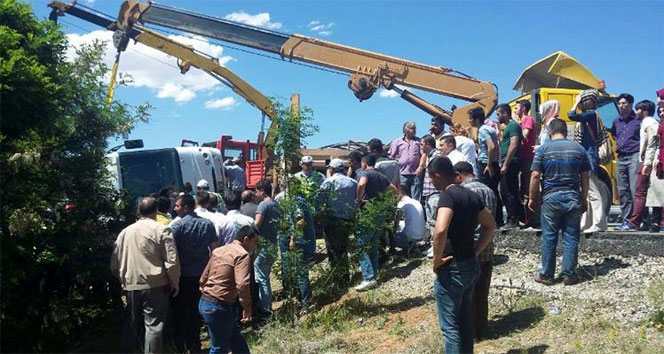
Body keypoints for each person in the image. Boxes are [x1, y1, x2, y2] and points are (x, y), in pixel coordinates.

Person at [429, 157, 496, 354]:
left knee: (450, 327)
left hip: (453, 267)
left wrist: (437, 259)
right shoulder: (471, 196)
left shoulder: (448, 196)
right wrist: (477, 250)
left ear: (437, 175)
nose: (431, 182)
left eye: (431, 178)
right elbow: (490, 225)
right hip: (470, 264)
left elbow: (440, 230)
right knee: (465, 321)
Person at [111, 197, 180, 354]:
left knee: (133, 324)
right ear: (156, 211)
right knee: (153, 326)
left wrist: (123, 280)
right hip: (155, 284)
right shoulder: (161, 230)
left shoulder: (124, 232)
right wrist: (174, 282)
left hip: (131, 284)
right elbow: (172, 261)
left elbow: (114, 262)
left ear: (138, 211)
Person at [529, 118, 590, 285]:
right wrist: (584, 198)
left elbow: (535, 176)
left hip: (550, 198)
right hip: (572, 197)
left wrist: (533, 198)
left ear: (550, 131)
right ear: (566, 131)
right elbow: (585, 177)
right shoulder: (579, 149)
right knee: (571, 236)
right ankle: (569, 274)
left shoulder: (543, 150)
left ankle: (546, 275)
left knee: (549, 236)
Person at [170, 194, 219, 353]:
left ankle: (188, 344)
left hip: (184, 276)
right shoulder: (207, 224)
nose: (174, 208)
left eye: (177, 206)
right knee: (201, 310)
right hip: (203, 274)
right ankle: (204, 343)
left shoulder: (177, 227)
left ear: (185, 207)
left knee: (184, 311)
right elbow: (215, 250)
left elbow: (171, 252)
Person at [453, 161, 496, 340]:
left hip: (471, 246)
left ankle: (470, 332)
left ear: (460, 174)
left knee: (467, 293)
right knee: (482, 291)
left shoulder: (466, 192)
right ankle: (481, 329)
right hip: (487, 244)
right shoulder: (489, 190)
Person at [199, 224, 258, 354]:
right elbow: (242, 284)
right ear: (246, 239)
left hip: (206, 302)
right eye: (255, 242)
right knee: (219, 347)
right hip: (220, 306)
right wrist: (247, 308)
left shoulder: (219, 250)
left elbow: (203, 279)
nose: (255, 246)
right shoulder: (242, 254)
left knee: (236, 340)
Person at [568, 89, 608, 233]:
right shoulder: (591, 116)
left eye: (586, 100)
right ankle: (589, 223)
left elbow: (571, 115)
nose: (583, 102)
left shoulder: (591, 114)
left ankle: (599, 223)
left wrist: (576, 102)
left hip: (589, 156)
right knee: (589, 191)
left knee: (593, 191)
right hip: (588, 155)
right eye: (583, 100)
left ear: (592, 101)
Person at [355, 154, 395, 291]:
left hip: (368, 210)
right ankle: (374, 275)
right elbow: (394, 190)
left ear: (364, 163)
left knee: (361, 244)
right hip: (380, 211)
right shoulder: (382, 176)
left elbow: (361, 184)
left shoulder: (365, 173)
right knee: (373, 244)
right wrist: (386, 201)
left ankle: (368, 277)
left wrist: (359, 199)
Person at [320, 158, 358, 286]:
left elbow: (319, 200)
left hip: (332, 220)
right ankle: (345, 277)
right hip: (348, 219)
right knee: (343, 248)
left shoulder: (328, 182)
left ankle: (338, 279)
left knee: (333, 250)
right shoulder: (353, 182)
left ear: (332, 169)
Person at [626, 100, 660, 231]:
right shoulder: (650, 122)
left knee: (640, 192)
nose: (636, 112)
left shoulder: (649, 122)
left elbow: (652, 143)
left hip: (648, 161)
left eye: (638, 109)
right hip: (650, 160)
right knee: (650, 192)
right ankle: (648, 222)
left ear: (645, 110)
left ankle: (635, 221)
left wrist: (646, 163)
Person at [611, 93, 641, 229]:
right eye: (620, 103)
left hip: (634, 155)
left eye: (624, 103)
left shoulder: (638, 120)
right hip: (621, 157)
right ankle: (626, 220)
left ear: (631, 104)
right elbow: (614, 134)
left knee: (635, 189)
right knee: (622, 190)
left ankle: (638, 220)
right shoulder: (616, 121)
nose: (621, 106)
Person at [468, 107, 503, 226]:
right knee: (494, 192)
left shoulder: (483, 130)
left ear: (476, 119)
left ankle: (491, 221)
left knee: (488, 192)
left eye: (470, 118)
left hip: (485, 163)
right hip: (492, 162)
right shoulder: (490, 129)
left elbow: (491, 146)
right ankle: (498, 219)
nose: (469, 121)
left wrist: (489, 164)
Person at [253, 179, 280, 317]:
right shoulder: (276, 204)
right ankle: (267, 306)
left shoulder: (263, 205)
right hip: (273, 245)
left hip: (263, 246)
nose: (255, 193)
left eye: (256, 191)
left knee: (261, 278)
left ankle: (265, 310)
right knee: (265, 277)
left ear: (262, 191)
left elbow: (256, 225)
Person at [497, 103, 523, 229]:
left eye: (499, 114)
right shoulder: (507, 127)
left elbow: (514, 144)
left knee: (508, 190)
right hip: (507, 161)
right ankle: (514, 218)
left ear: (505, 113)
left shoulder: (513, 126)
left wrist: (506, 163)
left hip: (511, 162)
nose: (497, 117)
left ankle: (513, 220)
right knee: (505, 190)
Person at [514, 100, 536, 227]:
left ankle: (529, 219)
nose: (515, 110)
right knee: (522, 188)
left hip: (527, 158)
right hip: (522, 158)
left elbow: (524, 135)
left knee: (527, 188)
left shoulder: (527, 119)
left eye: (516, 107)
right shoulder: (521, 121)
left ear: (523, 108)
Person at [389, 121, 422, 201]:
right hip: (402, 173)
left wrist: (420, 167)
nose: (414, 130)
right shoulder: (397, 141)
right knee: (403, 198)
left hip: (416, 174)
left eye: (415, 128)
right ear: (405, 130)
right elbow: (391, 156)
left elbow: (423, 154)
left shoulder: (419, 141)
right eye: (412, 128)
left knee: (416, 198)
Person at [648, 104, 664, 232]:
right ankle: (655, 222)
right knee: (655, 192)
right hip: (658, 162)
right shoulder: (658, 126)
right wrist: (649, 162)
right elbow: (652, 145)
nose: (662, 112)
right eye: (660, 111)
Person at [395, 184, 425, 252]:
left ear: (400, 192)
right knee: (402, 223)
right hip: (421, 235)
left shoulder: (401, 203)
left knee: (390, 237)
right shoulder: (416, 202)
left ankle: (408, 245)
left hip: (410, 238)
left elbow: (395, 224)